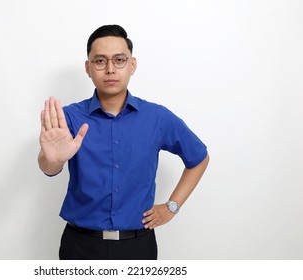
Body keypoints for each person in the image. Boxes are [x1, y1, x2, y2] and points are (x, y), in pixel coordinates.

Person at [38, 24, 209, 260]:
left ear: (132, 65)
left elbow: (199, 158)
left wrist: (172, 206)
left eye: (119, 60)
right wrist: (52, 161)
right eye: (100, 61)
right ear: (88, 68)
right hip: (80, 246)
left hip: (138, 247)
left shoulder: (157, 117)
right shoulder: (68, 117)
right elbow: (48, 166)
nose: (110, 69)